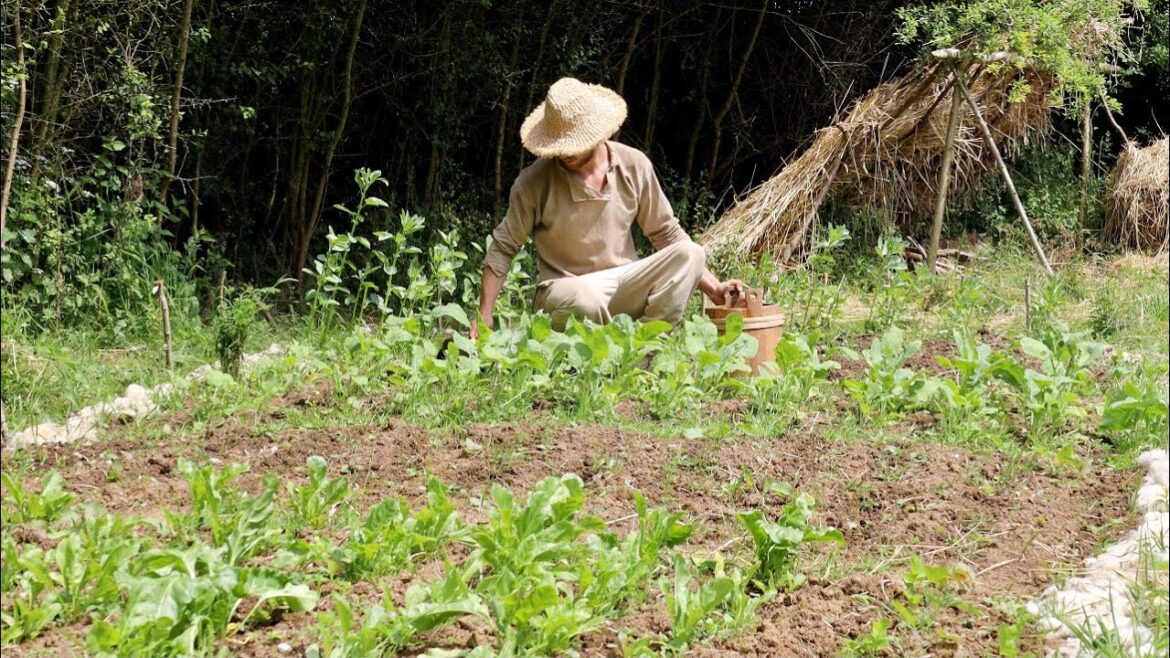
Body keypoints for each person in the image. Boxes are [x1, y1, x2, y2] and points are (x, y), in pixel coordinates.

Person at [472, 77, 743, 337]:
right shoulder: (533, 182)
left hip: (624, 284)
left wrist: (715, 288)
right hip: (565, 292)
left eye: (574, 143)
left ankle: (642, 350)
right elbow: (503, 248)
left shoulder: (634, 165)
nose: (566, 153)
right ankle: (605, 353)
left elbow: (667, 235)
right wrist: (485, 314)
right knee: (586, 301)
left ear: (596, 132)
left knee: (691, 253)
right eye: (560, 145)